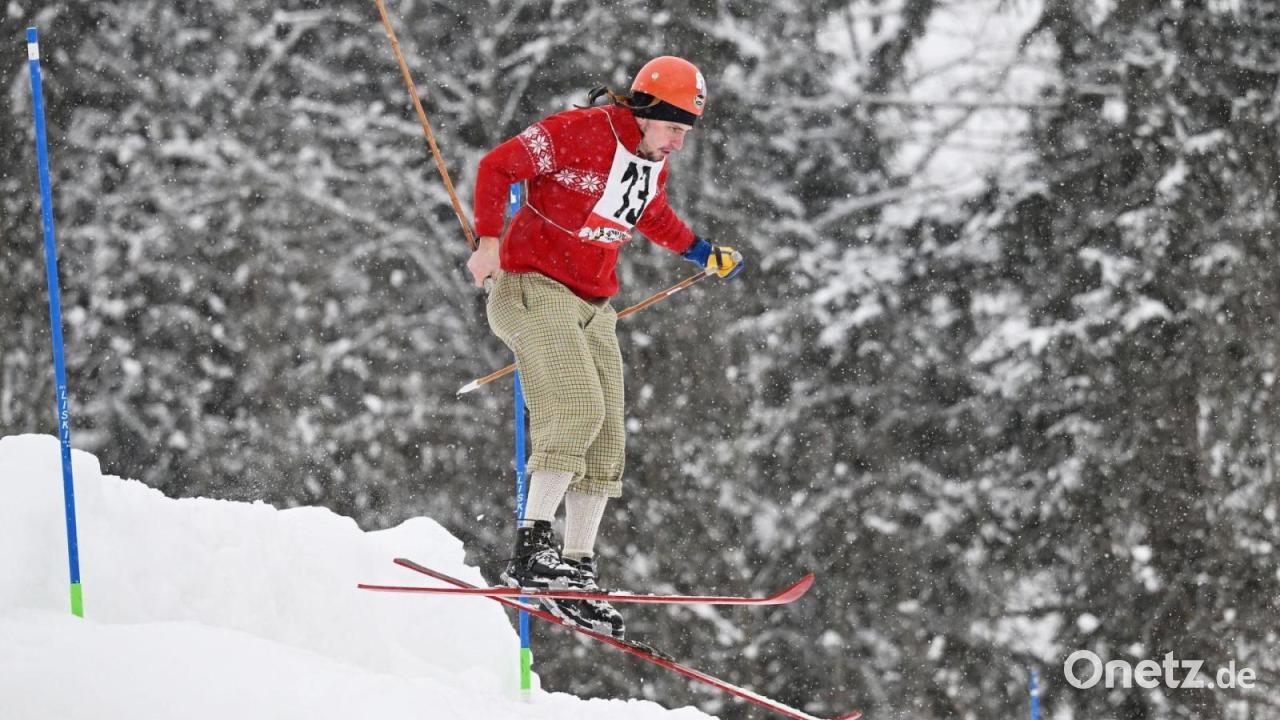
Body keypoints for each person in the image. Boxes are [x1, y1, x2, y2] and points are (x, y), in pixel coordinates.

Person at [467, 56, 742, 639]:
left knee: (607, 435)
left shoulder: (650, 163)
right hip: (531, 286)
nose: (677, 144)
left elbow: (652, 213)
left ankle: (575, 570)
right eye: (673, 129)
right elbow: (499, 166)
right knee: (575, 408)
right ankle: (530, 548)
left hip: (593, 306)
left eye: (686, 134)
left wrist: (700, 251)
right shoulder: (581, 131)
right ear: (646, 113)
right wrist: (488, 242)